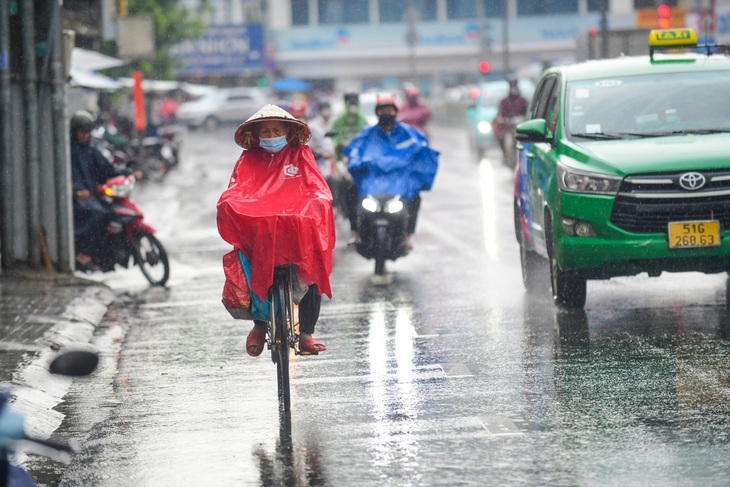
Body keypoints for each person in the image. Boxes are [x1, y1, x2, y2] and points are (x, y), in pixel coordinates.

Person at [217, 105, 335, 357]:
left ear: (288, 132)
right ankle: (259, 325)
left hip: (295, 224)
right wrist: (231, 202)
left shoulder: (301, 154)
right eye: (266, 132)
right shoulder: (248, 159)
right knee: (250, 260)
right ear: (256, 135)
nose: (271, 137)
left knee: (312, 263)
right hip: (260, 228)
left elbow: (316, 186)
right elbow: (238, 189)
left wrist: (318, 201)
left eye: (277, 131)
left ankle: (306, 334)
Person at [344, 96, 439, 251]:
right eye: (382, 110)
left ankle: (407, 234)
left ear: (395, 111)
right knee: (349, 187)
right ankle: (356, 231)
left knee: (415, 196)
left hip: (399, 181)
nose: (386, 113)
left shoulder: (408, 133)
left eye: (389, 109)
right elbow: (355, 150)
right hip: (372, 180)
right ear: (377, 112)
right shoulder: (367, 135)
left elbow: (422, 149)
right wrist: (357, 162)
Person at [70, 111, 130, 271]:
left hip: (94, 196)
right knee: (98, 214)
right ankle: (85, 254)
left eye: (88, 132)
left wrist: (127, 172)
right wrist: (76, 191)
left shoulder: (91, 150)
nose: (85, 135)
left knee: (112, 212)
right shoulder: (68, 153)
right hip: (77, 200)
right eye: (82, 132)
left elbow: (107, 169)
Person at [330, 92, 369, 244]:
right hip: (343, 161)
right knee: (343, 185)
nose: (352, 106)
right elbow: (333, 137)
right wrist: (340, 143)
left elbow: (369, 137)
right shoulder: (339, 121)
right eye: (350, 103)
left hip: (360, 162)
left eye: (355, 103)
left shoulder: (362, 120)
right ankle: (342, 210)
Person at [307, 101, 338, 199]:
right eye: (324, 110)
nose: (326, 112)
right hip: (318, 163)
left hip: (332, 161)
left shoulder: (332, 123)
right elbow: (307, 146)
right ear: (319, 111)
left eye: (328, 109)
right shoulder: (313, 126)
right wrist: (320, 154)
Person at [493, 79, 530, 157]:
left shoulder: (523, 101)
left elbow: (529, 113)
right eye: (512, 88)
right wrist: (502, 120)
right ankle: (505, 154)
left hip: (521, 127)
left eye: (515, 88)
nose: (514, 90)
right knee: (503, 138)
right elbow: (500, 115)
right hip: (508, 127)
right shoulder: (504, 102)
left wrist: (525, 119)